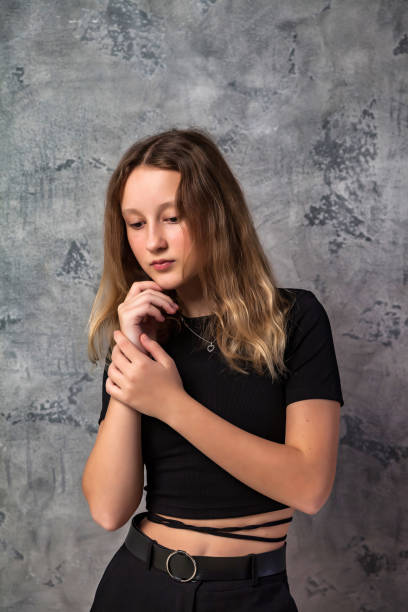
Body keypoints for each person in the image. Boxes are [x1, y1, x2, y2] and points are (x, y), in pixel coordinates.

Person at [82, 127, 344, 611]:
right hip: (137, 588)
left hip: (249, 594)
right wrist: (131, 363)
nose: (153, 242)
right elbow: (107, 508)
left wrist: (170, 404)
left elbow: (308, 487)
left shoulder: (296, 319)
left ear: (217, 215)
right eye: (135, 224)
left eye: (172, 218)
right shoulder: (143, 333)